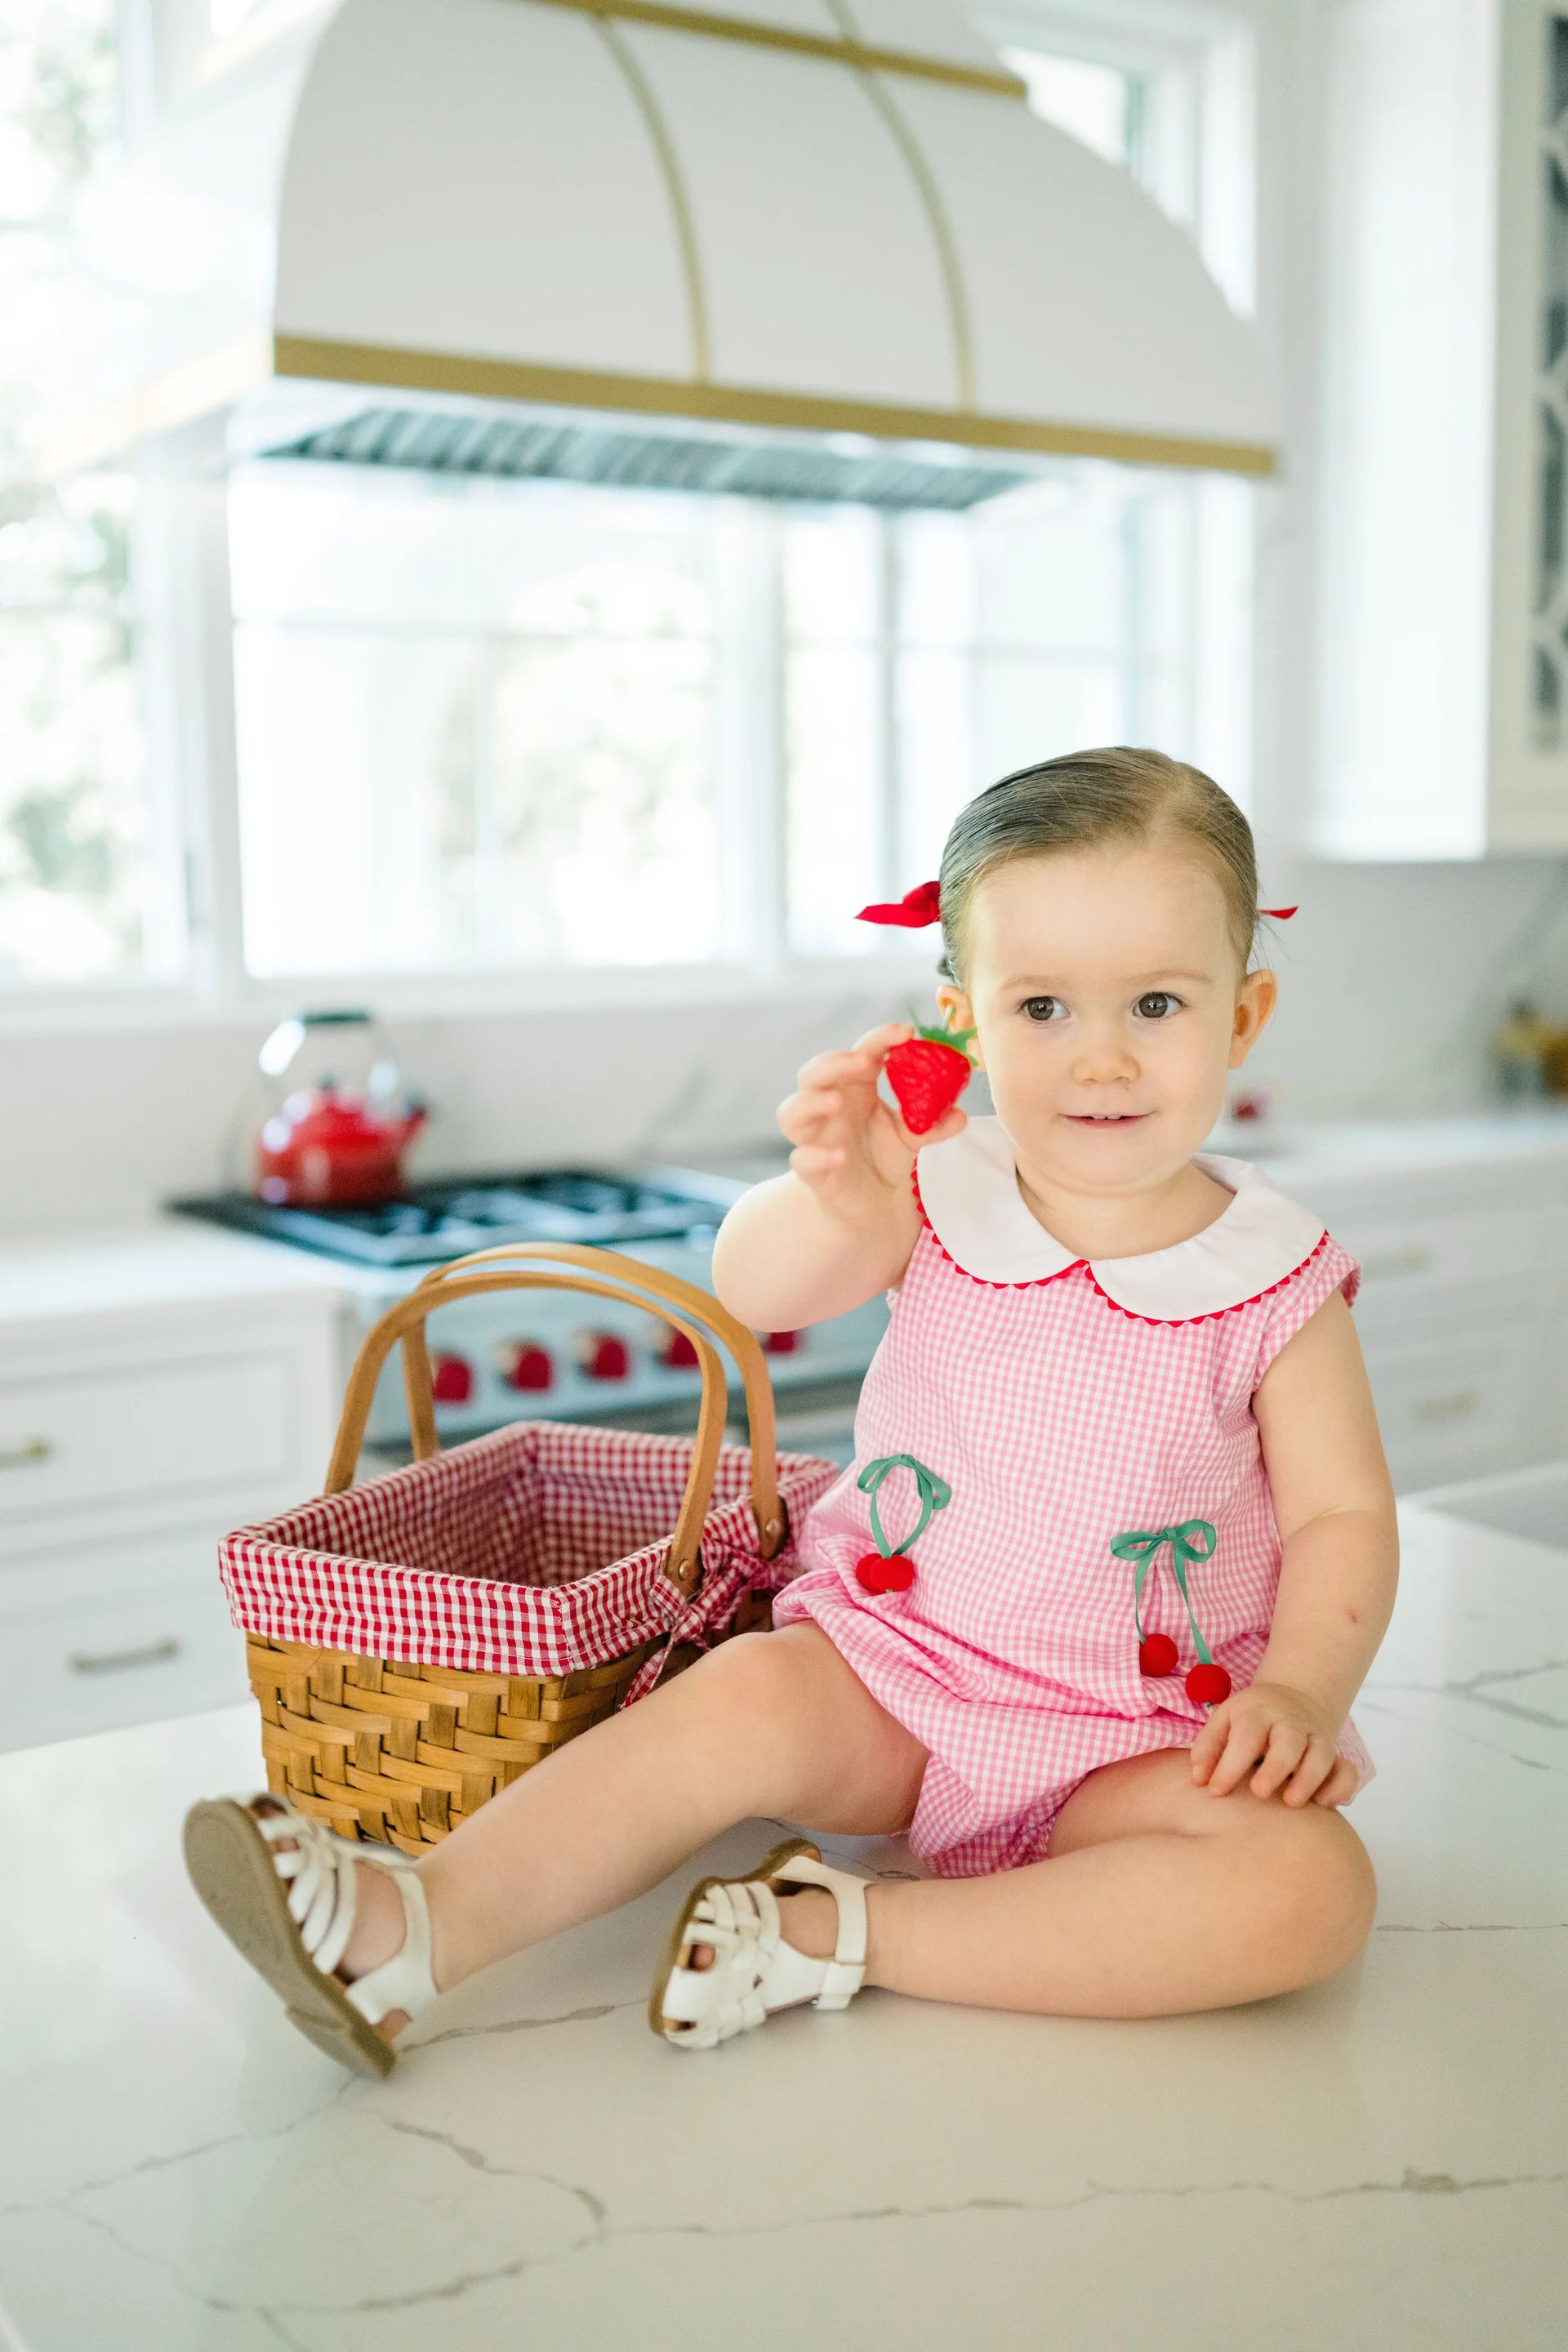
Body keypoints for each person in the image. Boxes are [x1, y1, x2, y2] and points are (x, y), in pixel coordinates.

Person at [185, 746, 1396, 2080]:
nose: (1100, 1057)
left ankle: (844, 1932)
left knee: (1312, 1890)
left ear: (1244, 1014)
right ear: (965, 1020)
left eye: (1155, 1003)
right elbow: (753, 1287)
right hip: (901, 1684)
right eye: (1043, 1006)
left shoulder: (1277, 1273)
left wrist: (1297, 1689)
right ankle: (409, 1928)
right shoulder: (940, 1181)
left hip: (1138, 1743)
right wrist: (836, 1186)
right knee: (744, 1693)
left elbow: (1343, 1513)